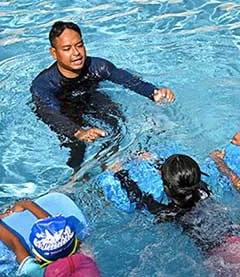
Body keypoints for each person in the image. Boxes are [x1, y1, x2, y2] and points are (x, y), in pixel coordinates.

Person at [110, 153, 240, 277]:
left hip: (221, 256)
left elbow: (138, 198)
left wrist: (121, 173)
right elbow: (185, 178)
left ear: (164, 182)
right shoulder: (203, 189)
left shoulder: (170, 212)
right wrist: (157, 161)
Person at [30, 21, 175, 170]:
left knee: (117, 123)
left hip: (92, 99)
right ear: (54, 53)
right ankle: (79, 175)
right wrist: (78, 132)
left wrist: (154, 92)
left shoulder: (98, 67)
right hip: (64, 109)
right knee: (76, 147)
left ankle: (118, 160)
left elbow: (129, 81)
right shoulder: (44, 85)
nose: (76, 53)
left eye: (79, 45)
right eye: (67, 49)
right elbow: (49, 114)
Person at [0, 200, 106, 277]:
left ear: (38, 258)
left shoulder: (40, 273)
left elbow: (15, 244)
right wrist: (28, 204)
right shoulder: (86, 256)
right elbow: (60, 231)